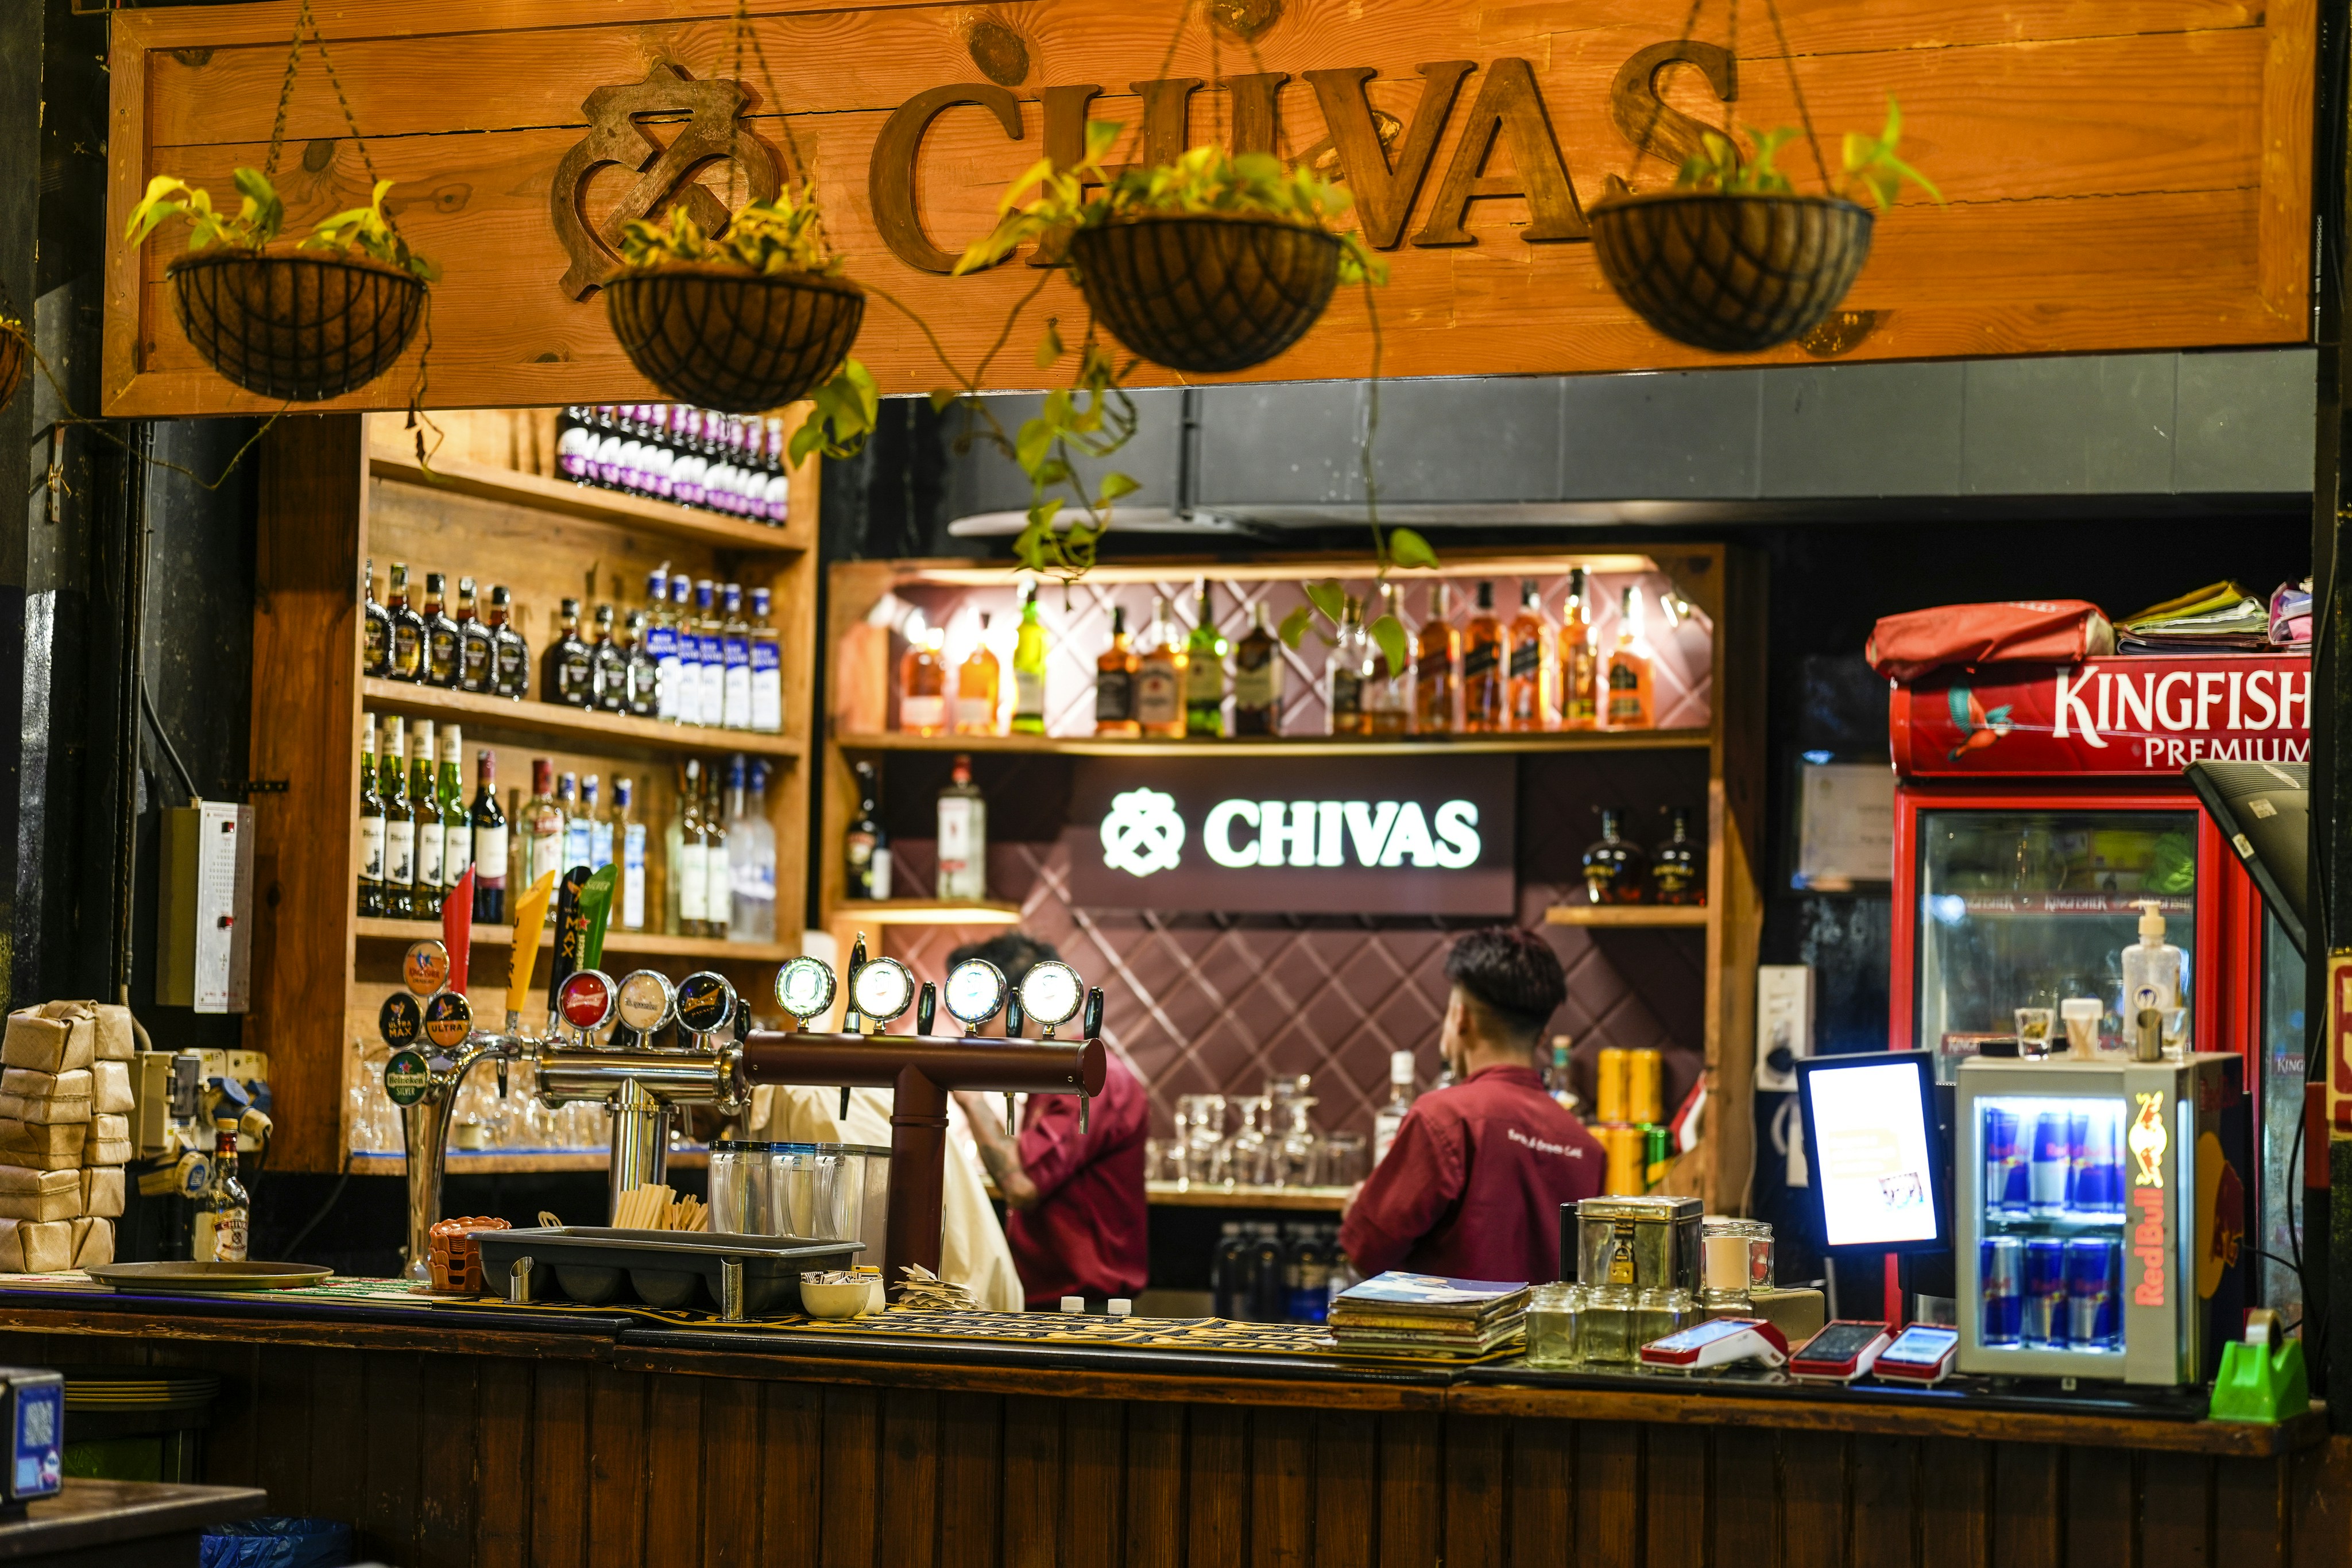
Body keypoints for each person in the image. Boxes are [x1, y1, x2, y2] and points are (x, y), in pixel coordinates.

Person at [1340, 926, 1605, 1284]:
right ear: (1541, 1036)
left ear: (1460, 1018)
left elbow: (1367, 1253)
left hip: (1445, 1339)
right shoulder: (1586, 1147)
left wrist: (1360, 1209)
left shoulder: (1443, 1119)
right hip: (1548, 1341)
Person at [947, 932, 1149, 1309]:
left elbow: (1021, 1184)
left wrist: (970, 1096)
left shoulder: (1091, 1079)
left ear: (1021, 1004)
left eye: (980, 1006)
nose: (969, 1024)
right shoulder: (1056, 1075)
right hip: (1052, 1302)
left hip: (1085, 1312)